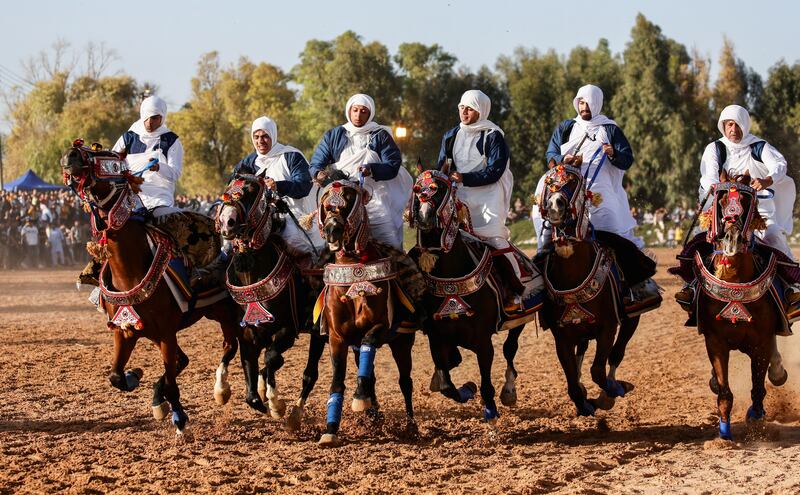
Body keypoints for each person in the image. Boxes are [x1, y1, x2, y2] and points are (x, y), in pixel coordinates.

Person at [536, 84, 661, 307]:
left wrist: (613, 153)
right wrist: (560, 159)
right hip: (568, 188)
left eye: (588, 103)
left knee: (612, 233)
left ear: (597, 104)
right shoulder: (567, 127)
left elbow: (627, 159)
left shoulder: (610, 129)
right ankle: (537, 286)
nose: (584, 107)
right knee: (548, 230)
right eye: (581, 102)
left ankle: (636, 285)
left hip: (600, 191)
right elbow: (551, 152)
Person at [677, 104, 799, 305]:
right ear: (723, 126)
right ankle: (691, 286)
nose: (733, 129)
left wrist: (767, 180)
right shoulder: (715, 148)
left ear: (745, 125)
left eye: (737, 124)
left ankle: (792, 286)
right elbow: (709, 176)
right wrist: (717, 186)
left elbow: (779, 165)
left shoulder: (758, 146)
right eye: (729, 124)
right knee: (700, 239)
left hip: (757, 212)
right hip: (720, 211)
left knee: (774, 235)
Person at [437, 89, 540, 311]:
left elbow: (495, 171)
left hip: (489, 195)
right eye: (462, 107)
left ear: (481, 111)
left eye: (470, 108)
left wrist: (465, 177)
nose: (464, 112)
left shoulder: (493, 136)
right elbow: (442, 167)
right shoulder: (450, 135)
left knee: (494, 239)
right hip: (459, 195)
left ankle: (516, 290)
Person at [309, 93, 413, 250]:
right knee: (326, 237)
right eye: (355, 110)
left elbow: (393, 165)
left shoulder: (380, 135)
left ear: (370, 113)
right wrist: (318, 173)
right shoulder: (334, 135)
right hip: (340, 197)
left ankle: (397, 269)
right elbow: (315, 163)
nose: (358, 115)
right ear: (349, 111)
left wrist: (371, 169)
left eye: (363, 111)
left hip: (372, 195)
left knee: (387, 238)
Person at [232, 116, 324, 258]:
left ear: (273, 135)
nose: (260, 141)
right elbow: (234, 184)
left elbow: (304, 186)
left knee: (291, 239)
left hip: (293, 215)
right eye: (256, 137)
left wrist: (278, 186)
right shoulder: (249, 162)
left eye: (265, 136)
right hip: (261, 219)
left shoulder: (291, 156)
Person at [112, 95, 183, 218]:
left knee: (163, 223)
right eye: (147, 117)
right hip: (129, 194)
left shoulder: (172, 141)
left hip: (159, 197)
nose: (150, 122)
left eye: (155, 118)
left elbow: (175, 173)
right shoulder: (129, 137)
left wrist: (158, 167)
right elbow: (112, 160)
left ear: (162, 117)